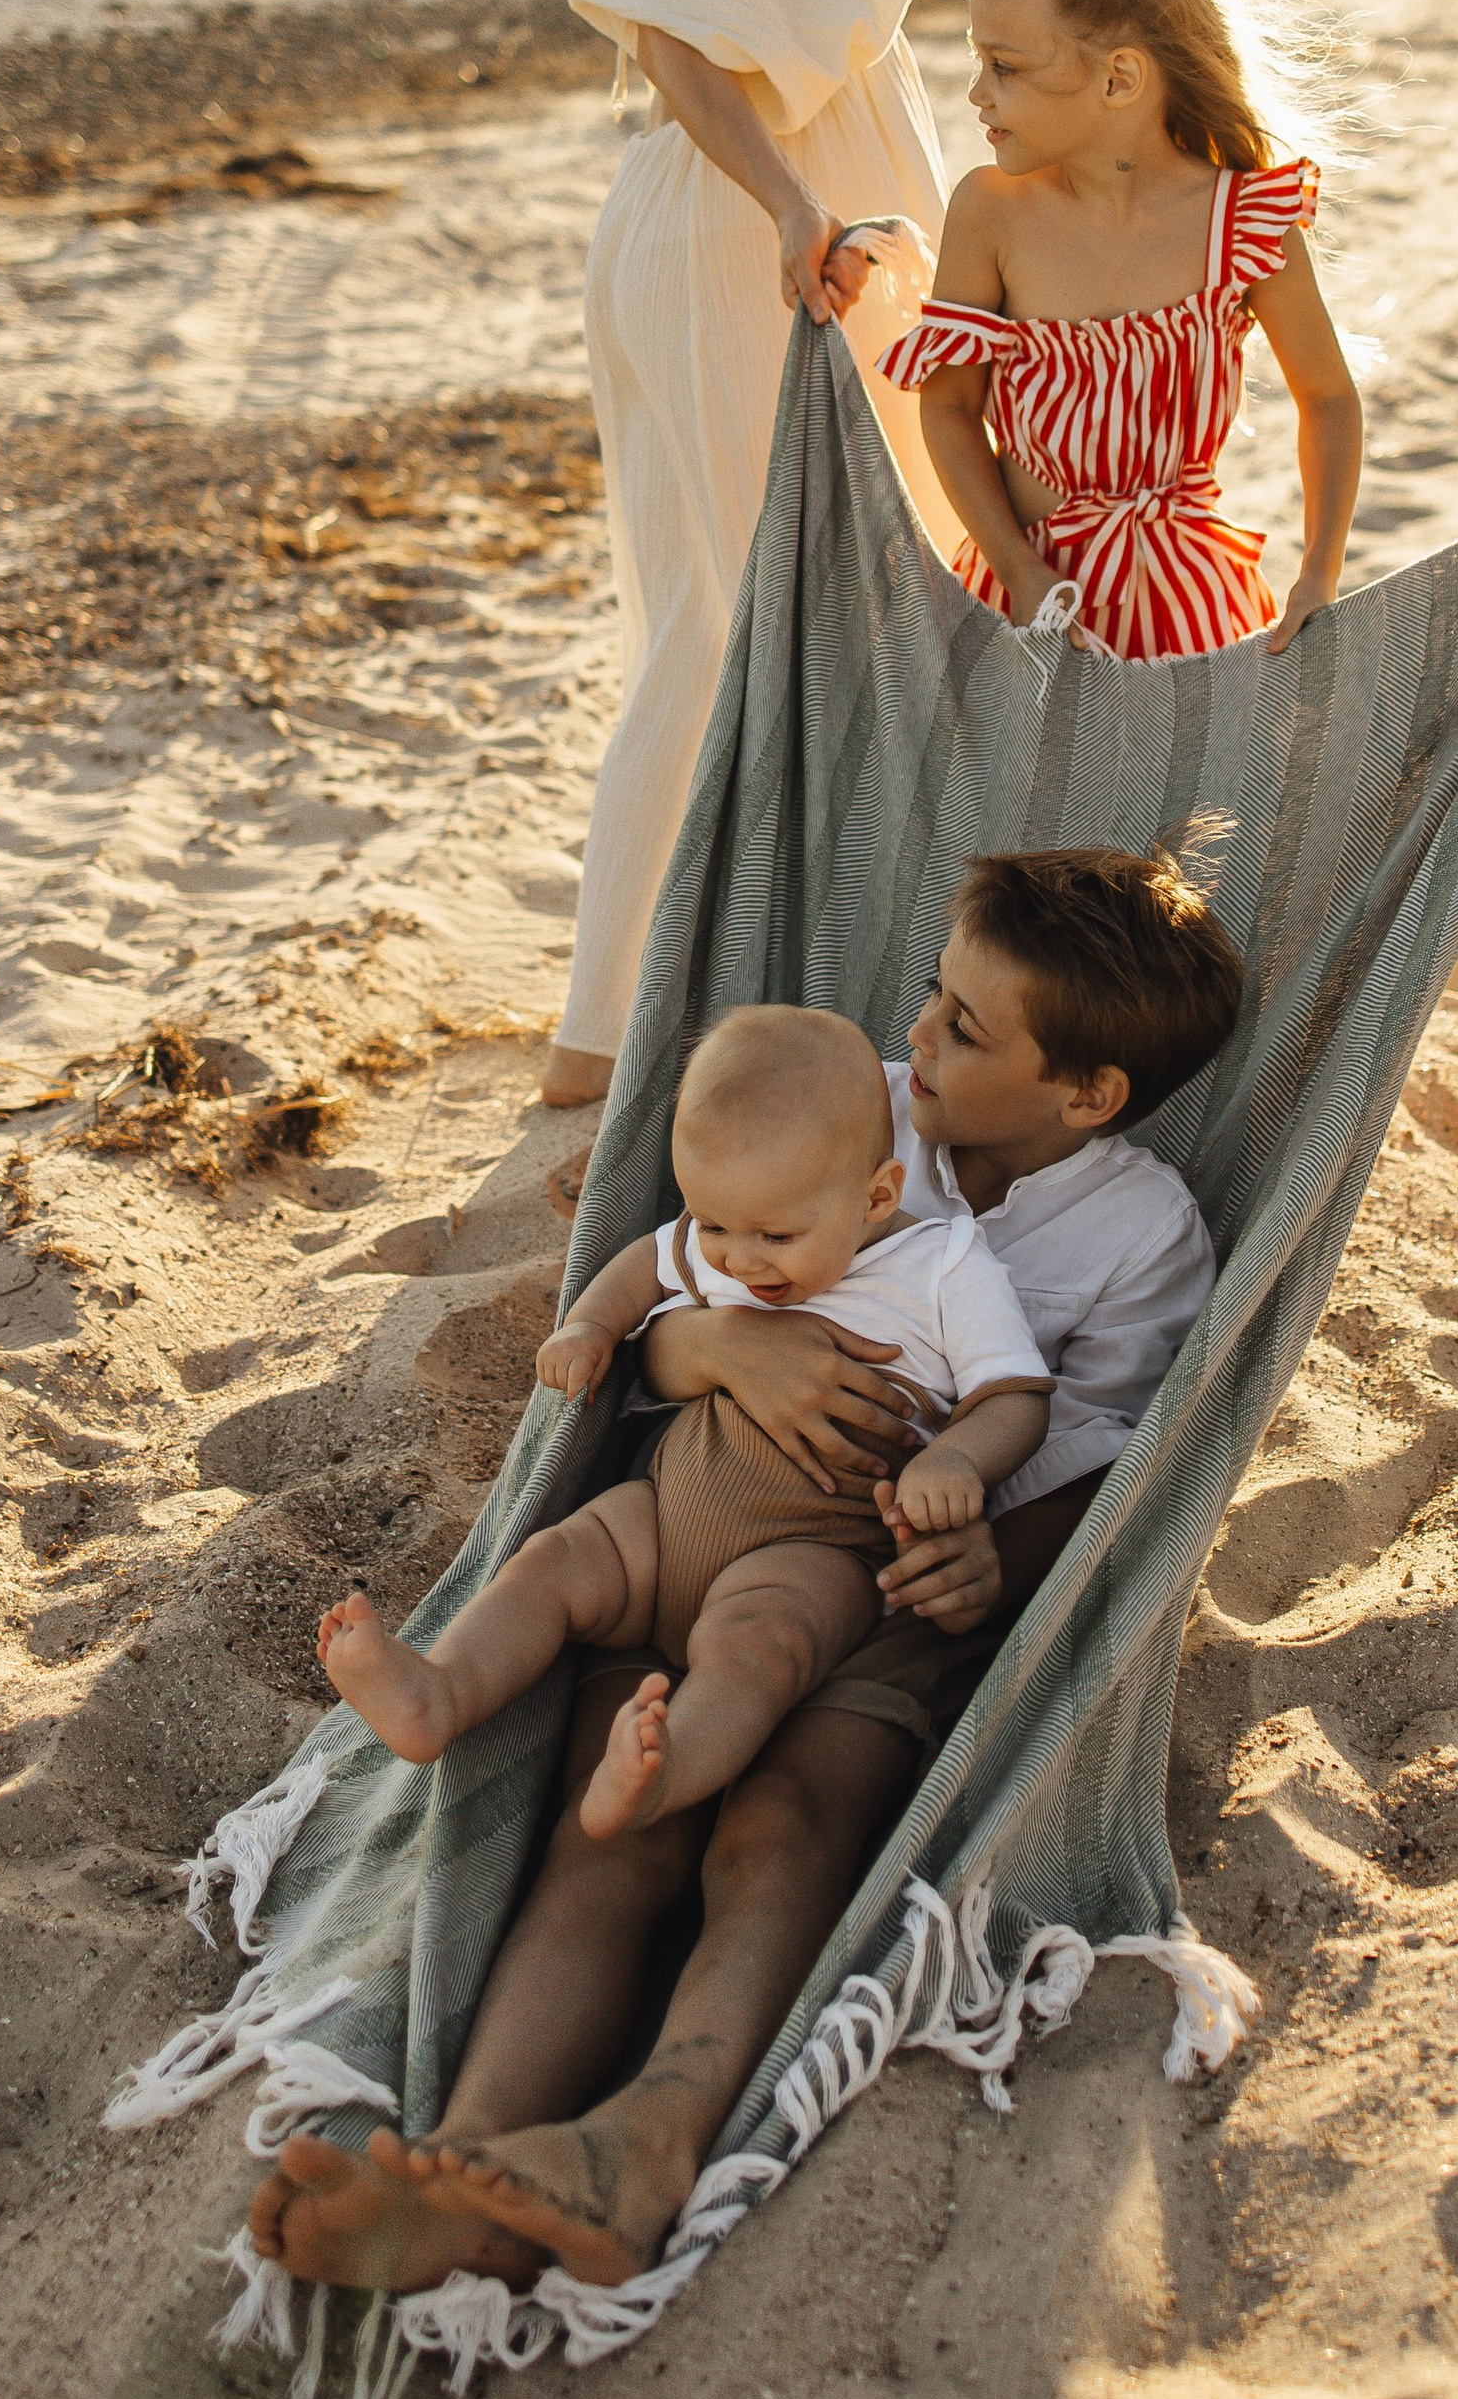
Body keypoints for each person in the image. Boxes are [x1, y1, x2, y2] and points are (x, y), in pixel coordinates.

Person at [250, 846, 1240, 2294]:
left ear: (1086, 1092)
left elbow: (1101, 1449)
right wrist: (712, 1344)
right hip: (703, 1516)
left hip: (900, 1595)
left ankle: (650, 2141)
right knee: (615, 1830)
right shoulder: (845, 1107)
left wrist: (984, 1557)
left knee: (777, 1825)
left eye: (966, 1028)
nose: (919, 1036)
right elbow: (674, 1283)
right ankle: (462, 2165)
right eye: (930, 1000)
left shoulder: (1139, 1232)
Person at [542, 0, 964, 1126]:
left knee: (733, 623)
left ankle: (618, 1027)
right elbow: (672, 25)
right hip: (744, 222)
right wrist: (795, 201)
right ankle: (623, 1041)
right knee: (743, 628)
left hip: (754, 213)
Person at [316, 1008, 1051, 1834]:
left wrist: (958, 1462)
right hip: (662, 1517)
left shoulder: (945, 1266)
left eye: (776, 1235)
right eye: (714, 1226)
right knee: (550, 1560)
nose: (736, 1259)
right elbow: (646, 1259)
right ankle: (439, 1691)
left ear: (877, 1193)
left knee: (758, 1656)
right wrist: (592, 1326)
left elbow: (1016, 1396)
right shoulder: (732, 1227)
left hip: (816, 1547)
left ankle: (662, 1782)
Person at [880, 0, 1362, 659]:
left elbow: (1329, 398)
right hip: (1026, 605)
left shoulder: (1242, 220)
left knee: (1189, 785)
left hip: (1193, 611)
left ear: (1120, 78)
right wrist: (1024, 574)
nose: (976, 93)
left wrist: (1319, 570)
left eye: (1004, 66)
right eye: (978, 61)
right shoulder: (991, 214)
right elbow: (949, 410)